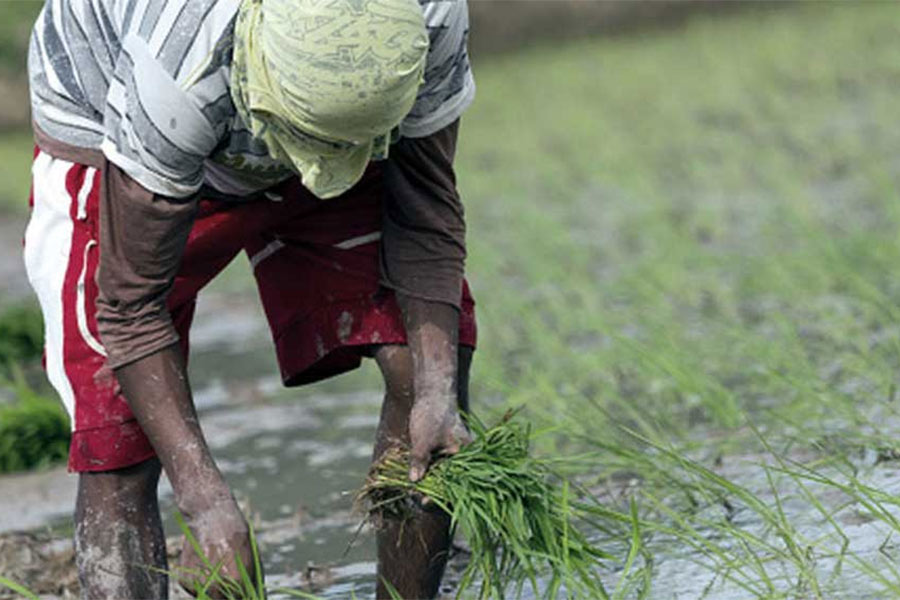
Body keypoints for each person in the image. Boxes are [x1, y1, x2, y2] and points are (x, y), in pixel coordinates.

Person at [24, 0, 477, 598]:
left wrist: (438, 393)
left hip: (342, 114)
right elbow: (129, 307)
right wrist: (207, 505)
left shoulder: (428, 18)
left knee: (425, 370)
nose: (316, 174)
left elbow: (424, 219)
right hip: (119, 135)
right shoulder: (177, 69)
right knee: (118, 435)